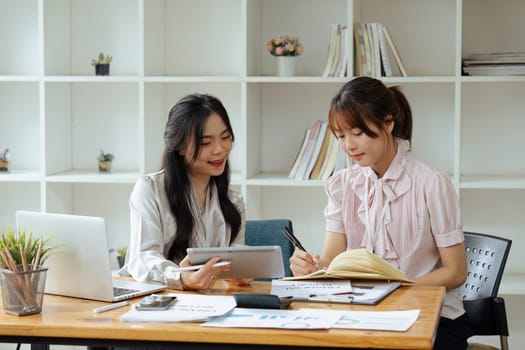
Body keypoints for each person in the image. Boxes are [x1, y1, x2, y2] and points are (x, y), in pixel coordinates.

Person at [289, 76, 471, 350]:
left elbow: (456, 272)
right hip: (365, 314)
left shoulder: (431, 182)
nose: (349, 145)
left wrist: (399, 290)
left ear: (388, 122)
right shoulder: (342, 185)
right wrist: (310, 268)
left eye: (357, 133)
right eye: (340, 136)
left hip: (431, 317)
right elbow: (331, 260)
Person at [120, 93, 251, 290]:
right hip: (155, 300)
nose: (219, 149)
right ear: (179, 146)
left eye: (225, 137)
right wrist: (180, 278)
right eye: (205, 143)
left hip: (209, 304)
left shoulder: (234, 202)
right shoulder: (150, 190)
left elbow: (234, 258)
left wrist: (241, 272)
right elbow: (143, 256)